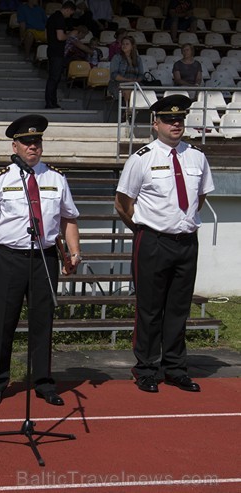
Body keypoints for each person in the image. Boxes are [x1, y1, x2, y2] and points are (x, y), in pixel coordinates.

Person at [0, 114, 81, 406]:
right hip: (9, 257)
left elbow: (68, 219)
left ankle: (44, 382)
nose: (32, 146)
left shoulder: (56, 179)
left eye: (37, 141)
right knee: (4, 322)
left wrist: (74, 251)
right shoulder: (0, 180)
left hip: (44, 258)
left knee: (42, 322)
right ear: (15, 146)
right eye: (26, 142)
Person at [114, 95, 214, 394]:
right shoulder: (142, 158)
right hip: (154, 241)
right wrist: (144, 227)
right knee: (150, 309)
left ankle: (175, 368)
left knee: (178, 309)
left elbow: (200, 196)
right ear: (155, 123)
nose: (176, 124)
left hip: (186, 242)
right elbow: (122, 203)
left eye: (180, 119)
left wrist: (180, 222)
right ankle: (146, 368)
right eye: (170, 120)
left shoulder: (196, 156)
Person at [45, 1, 77, 109]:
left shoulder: (53, 17)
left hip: (52, 50)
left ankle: (52, 101)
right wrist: (70, 34)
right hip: (56, 51)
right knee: (54, 78)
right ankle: (50, 102)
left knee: (54, 77)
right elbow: (60, 37)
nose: (70, 15)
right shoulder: (59, 19)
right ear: (68, 9)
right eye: (70, 13)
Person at [109, 35, 143, 114]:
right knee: (128, 89)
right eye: (123, 44)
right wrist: (129, 80)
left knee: (135, 89)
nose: (124, 46)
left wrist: (136, 81)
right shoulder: (117, 57)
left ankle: (130, 111)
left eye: (127, 44)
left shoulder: (138, 59)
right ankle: (129, 111)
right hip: (118, 83)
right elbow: (114, 75)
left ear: (132, 46)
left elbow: (141, 75)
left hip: (135, 83)